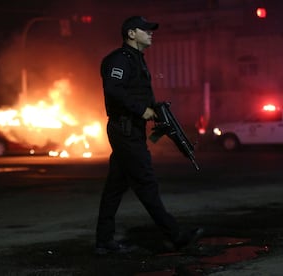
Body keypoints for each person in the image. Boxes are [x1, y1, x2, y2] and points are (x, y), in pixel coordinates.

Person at [95, 15, 204, 255]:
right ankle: (174, 235)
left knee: (114, 187)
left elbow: (137, 94)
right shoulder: (120, 60)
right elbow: (114, 90)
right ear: (131, 34)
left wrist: (155, 110)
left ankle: (103, 241)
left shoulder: (136, 60)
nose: (151, 33)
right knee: (146, 183)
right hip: (125, 129)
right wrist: (140, 109)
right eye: (146, 30)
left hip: (131, 129)